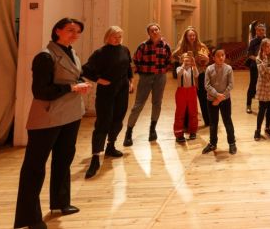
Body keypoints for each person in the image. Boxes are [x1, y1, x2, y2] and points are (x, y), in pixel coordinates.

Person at [14, 18, 91, 229]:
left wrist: (80, 83)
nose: (75, 34)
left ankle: (60, 203)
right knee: (34, 167)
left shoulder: (71, 52)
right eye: (70, 30)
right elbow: (40, 92)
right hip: (47, 118)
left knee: (63, 159)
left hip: (71, 114)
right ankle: (29, 218)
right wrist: (72, 88)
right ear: (57, 31)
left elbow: (72, 77)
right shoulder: (45, 56)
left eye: (78, 31)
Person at [82, 26, 133, 180]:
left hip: (122, 89)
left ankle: (111, 146)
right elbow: (86, 70)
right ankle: (95, 157)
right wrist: (99, 80)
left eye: (119, 36)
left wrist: (130, 82)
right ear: (107, 37)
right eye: (114, 36)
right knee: (103, 121)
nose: (117, 39)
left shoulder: (125, 50)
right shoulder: (100, 53)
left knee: (118, 119)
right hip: (107, 91)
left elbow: (128, 67)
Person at [123, 23, 172, 146]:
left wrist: (163, 71)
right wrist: (143, 72)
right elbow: (136, 59)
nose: (154, 32)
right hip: (146, 77)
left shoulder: (165, 46)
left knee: (157, 103)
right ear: (149, 33)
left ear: (159, 31)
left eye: (156, 30)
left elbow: (169, 61)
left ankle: (152, 129)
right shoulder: (143, 46)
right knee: (138, 104)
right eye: (152, 31)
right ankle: (129, 132)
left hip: (160, 77)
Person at [172, 26, 211, 126]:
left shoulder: (201, 46)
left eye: (194, 35)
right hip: (188, 75)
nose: (192, 37)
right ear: (186, 36)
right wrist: (181, 60)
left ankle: (208, 120)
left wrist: (206, 59)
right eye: (190, 36)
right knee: (188, 99)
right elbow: (174, 56)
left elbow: (206, 61)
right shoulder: (182, 46)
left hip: (200, 73)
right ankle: (187, 122)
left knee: (203, 97)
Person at [202, 49, 237, 154]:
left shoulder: (228, 68)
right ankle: (213, 143)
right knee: (213, 123)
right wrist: (217, 96)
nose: (221, 57)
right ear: (213, 58)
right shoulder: (209, 69)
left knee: (227, 121)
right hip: (212, 99)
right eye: (218, 56)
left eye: (223, 55)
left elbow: (231, 85)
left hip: (225, 99)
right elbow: (207, 85)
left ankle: (232, 143)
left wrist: (221, 97)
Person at [174, 53, 199, 143]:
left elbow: (196, 75)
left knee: (193, 112)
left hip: (192, 91)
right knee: (180, 113)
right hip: (181, 92)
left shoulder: (193, 68)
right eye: (185, 59)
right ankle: (179, 134)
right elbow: (179, 73)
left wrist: (194, 64)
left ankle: (193, 131)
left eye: (189, 59)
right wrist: (183, 65)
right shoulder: (179, 68)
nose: (187, 61)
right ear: (181, 60)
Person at [246, 23, 266, 114]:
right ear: (256, 31)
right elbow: (249, 55)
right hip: (254, 66)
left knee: (263, 86)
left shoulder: (266, 41)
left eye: (263, 30)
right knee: (252, 85)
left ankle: (261, 105)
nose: (261, 31)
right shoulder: (252, 41)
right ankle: (248, 105)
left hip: (264, 66)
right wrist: (258, 59)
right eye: (259, 30)